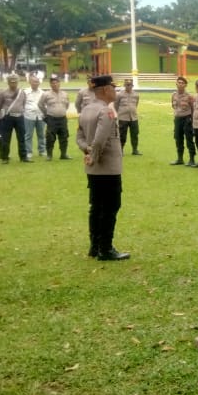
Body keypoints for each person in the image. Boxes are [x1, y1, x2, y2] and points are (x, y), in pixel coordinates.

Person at [76, 75, 130, 261]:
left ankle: (95, 245)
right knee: (110, 206)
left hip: (93, 169)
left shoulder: (86, 110)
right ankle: (105, 248)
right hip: (107, 168)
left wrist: (87, 150)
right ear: (106, 89)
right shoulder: (106, 111)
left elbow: (79, 137)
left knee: (96, 206)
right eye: (113, 88)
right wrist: (94, 156)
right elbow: (100, 139)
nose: (115, 91)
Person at [0, 74, 30, 163]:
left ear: (17, 82)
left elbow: (23, 103)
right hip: (8, 117)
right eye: (11, 82)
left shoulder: (22, 92)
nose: (13, 84)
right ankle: (5, 158)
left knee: (21, 138)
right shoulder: (3, 93)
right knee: (6, 138)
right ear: (8, 82)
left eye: (15, 82)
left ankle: (23, 157)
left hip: (19, 117)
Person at [38, 75, 71, 161]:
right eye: (53, 83)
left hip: (63, 119)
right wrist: (46, 114)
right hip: (51, 119)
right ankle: (49, 155)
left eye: (56, 83)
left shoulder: (65, 94)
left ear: (59, 83)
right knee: (50, 137)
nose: (55, 84)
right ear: (50, 84)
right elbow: (40, 104)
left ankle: (63, 154)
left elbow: (67, 105)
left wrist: (62, 111)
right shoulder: (46, 94)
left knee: (64, 136)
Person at [170, 76, 196, 165]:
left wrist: (192, 121)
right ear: (176, 84)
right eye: (179, 82)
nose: (180, 84)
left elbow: (193, 109)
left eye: (182, 83)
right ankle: (180, 159)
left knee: (189, 139)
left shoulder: (189, 96)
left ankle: (192, 159)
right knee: (178, 139)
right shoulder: (173, 95)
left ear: (185, 85)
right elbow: (173, 106)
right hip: (177, 119)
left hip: (187, 119)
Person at [115, 78, 142, 155]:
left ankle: (135, 150)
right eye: (127, 85)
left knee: (135, 134)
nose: (128, 86)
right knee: (122, 135)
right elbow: (116, 105)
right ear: (124, 85)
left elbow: (136, 104)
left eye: (130, 85)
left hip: (133, 118)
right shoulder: (119, 94)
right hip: (123, 118)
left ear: (132, 86)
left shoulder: (136, 95)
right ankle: (120, 150)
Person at [22, 76, 46, 158]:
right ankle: (28, 151)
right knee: (28, 135)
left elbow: (44, 104)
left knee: (41, 134)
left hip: (40, 116)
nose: (36, 83)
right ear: (30, 82)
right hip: (29, 116)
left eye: (37, 82)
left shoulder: (42, 92)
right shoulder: (25, 92)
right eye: (34, 82)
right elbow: (22, 103)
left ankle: (42, 150)